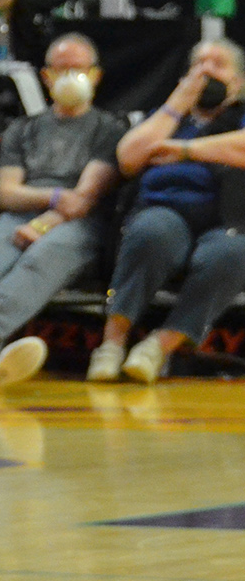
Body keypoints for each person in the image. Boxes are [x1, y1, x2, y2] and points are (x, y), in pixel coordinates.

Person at [0, 33, 124, 393]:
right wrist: (55, 196)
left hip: (77, 225)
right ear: (45, 76)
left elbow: (83, 200)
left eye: (78, 69)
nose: (69, 77)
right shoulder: (23, 129)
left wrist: (44, 222)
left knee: (42, 257)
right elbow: (7, 193)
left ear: (96, 75)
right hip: (18, 217)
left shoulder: (109, 129)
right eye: (61, 69)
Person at [88, 39, 245, 383]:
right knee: (151, 233)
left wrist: (186, 149)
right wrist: (176, 105)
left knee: (232, 254)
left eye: (218, 64)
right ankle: (112, 343)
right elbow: (129, 158)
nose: (206, 71)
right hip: (164, 209)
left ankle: (159, 346)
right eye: (198, 64)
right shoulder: (166, 115)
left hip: (229, 219)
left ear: (238, 82)